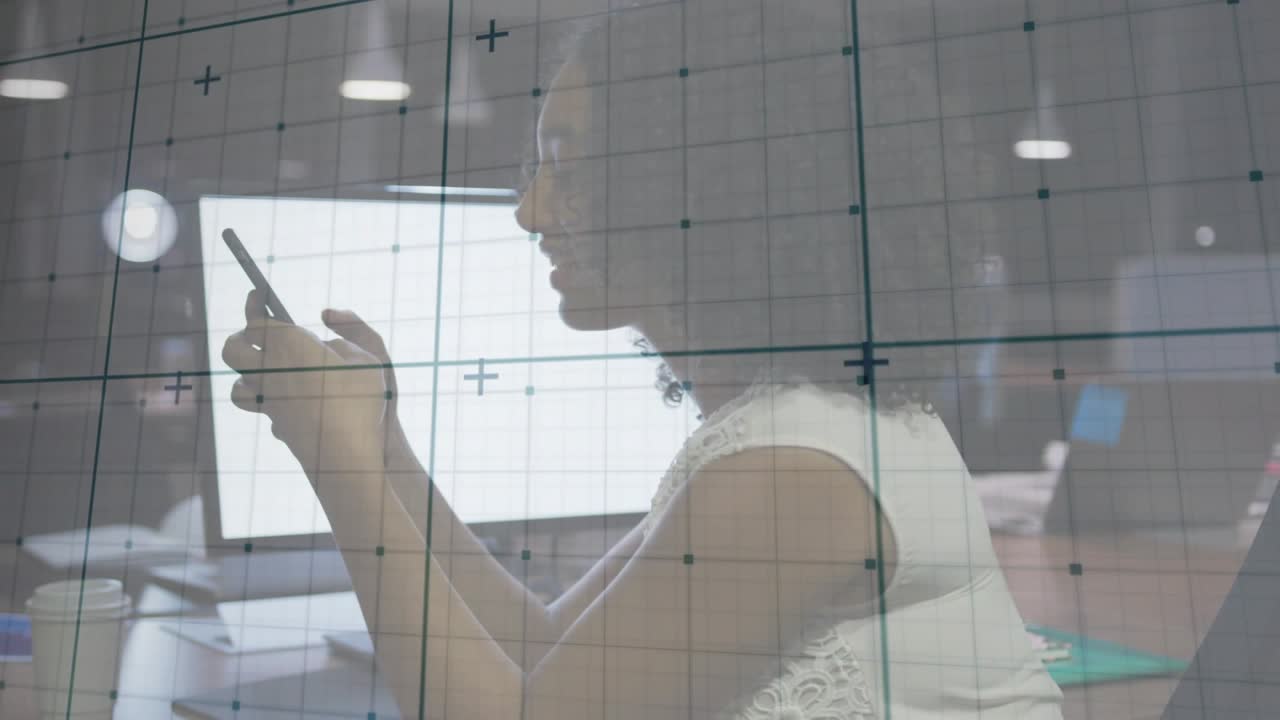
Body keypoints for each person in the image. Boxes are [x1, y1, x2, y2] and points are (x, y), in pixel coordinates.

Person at [221, 5, 1064, 718]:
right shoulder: (801, 426)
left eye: (572, 171)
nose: (530, 211)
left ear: (711, 192)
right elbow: (545, 649)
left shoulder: (791, 472)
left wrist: (336, 459)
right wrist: (383, 445)